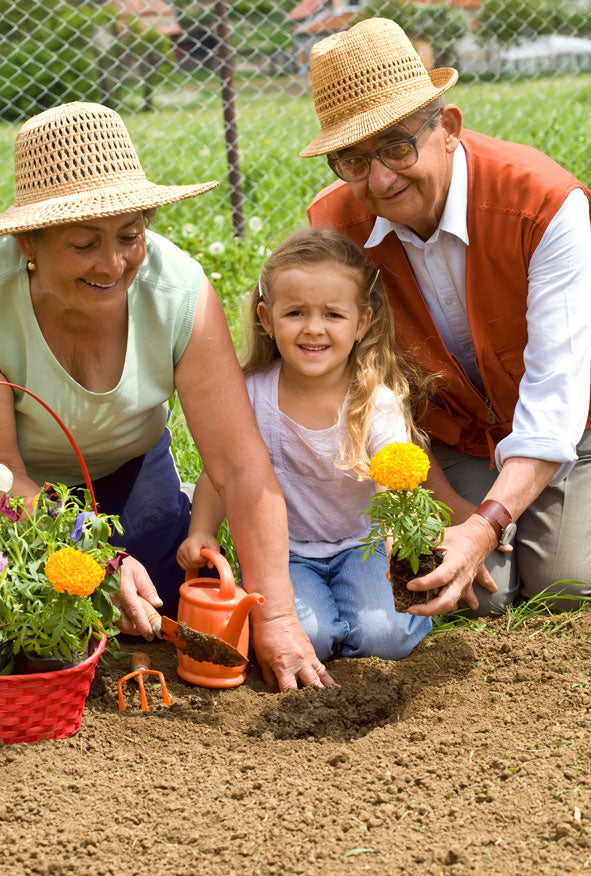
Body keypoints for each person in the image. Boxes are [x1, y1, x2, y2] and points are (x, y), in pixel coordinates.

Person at [0, 101, 333, 691]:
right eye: (83, 244)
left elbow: (240, 465)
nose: (113, 263)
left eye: (130, 235)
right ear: (30, 243)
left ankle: (168, 510)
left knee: (157, 606)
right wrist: (95, 559)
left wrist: (277, 616)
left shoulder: (177, 292)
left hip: (129, 471)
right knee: (33, 629)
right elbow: (7, 472)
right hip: (17, 496)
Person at [300, 18, 591, 617]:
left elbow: (557, 394)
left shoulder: (543, 204)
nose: (380, 179)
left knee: (569, 585)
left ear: (449, 128)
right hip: (453, 439)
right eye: (353, 160)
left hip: (572, 429)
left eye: (397, 147)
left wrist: (488, 526)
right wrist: (455, 512)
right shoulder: (334, 231)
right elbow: (369, 388)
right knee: (481, 596)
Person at [177, 227, 432, 661]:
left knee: (386, 639)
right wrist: (201, 528)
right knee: (308, 638)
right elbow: (220, 472)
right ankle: (332, 627)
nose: (314, 329)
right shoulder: (252, 395)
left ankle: (356, 625)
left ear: (362, 323)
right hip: (285, 553)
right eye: (295, 313)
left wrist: (396, 538)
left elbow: (395, 484)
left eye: (333, 315)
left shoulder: (374, 400)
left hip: (363, 546)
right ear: (266, 319)